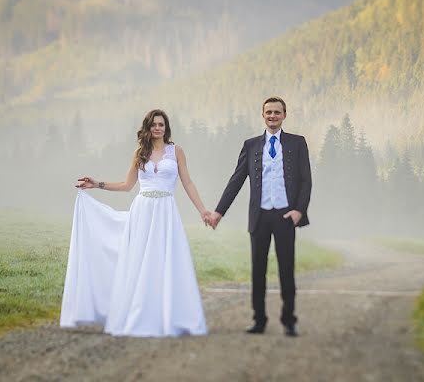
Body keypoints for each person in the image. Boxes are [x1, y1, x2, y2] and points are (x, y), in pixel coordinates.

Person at [60, 108, 211, 337]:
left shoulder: (176, 151)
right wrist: (97, 184)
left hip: (166, 212)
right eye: (153, 124)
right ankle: (138, 313)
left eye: (161, 124)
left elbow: (188, 183)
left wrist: (203, 211)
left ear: (166, 128)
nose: (157, 128)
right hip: (142, 211)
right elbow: (127, 185)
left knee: (165, 261)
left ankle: (168, 316)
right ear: (148, 128)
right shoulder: (140, 153)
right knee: (140, 261)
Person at [206, 97, 312, 337]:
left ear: (284, 114)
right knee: (258, 270)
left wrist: (298, 210)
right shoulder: (251, 145)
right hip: (260, 217)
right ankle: (259, 320)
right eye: (268, 112)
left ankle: (289, 320)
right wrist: (218, 212)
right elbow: (236, 180)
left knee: (287, 269)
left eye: (277, 112)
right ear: (262, 115)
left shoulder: (297, 143)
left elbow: (306, 180)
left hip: (286, 216)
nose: (272, 116)